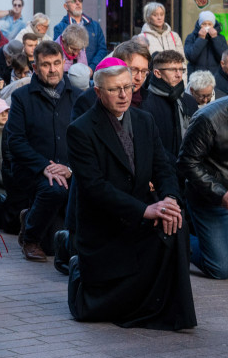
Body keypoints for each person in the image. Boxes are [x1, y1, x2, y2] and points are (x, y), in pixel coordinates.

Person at [67, 58, 195, 330]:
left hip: (139, 219)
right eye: (115, 89)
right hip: (106, 228)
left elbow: (163, 168)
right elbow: (95, 188)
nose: (124, 95)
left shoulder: (144, 120)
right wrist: (144, 210)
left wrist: (170, 199)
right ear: (98, 92)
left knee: (176, 224)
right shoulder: (80, 130)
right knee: (103, 309)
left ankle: (167, 309)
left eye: (127, 87)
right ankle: (78, 271)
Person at [7, 40, 76, 262]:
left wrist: (69, 168)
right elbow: (15, 141)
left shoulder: (77, 96)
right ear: (35, 68)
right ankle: (30, 238)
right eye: (46, 65)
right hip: (32, 169)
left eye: (57, 63)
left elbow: (87, 140)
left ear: (64, 63)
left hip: (70, 168)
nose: (53, 69)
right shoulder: (21, 97)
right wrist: (44, 167)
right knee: (55, 189)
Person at [179, 95, 228, 279]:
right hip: (210, 197)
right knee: (221, 268)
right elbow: (186, 162)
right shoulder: (208, 118)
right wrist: (221, 194)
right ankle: (177, 239)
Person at [139, 49, 196, 166]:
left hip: (189, 167)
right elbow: (148, 145)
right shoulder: (145, 103)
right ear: (157, 73)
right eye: (173, 70)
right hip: (160, 169)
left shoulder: (189, 101)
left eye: (181, 69)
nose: (179, 74)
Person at [52, 0, 107, 70]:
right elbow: (58, 53)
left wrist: (92, 67)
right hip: (70, 73)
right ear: (66, 6)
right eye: (74, 1)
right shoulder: (60, 28)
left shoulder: (95, 26)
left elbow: (102, 49)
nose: (78, 3)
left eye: (80, 1)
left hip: (93, 71)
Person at [185, 11, 227, 77]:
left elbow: (223, 58)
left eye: (209, 24)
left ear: (213, 25)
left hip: (215, 76)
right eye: (204, 24)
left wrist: (215, 38)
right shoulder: (191, 37)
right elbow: (191, 57)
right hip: (196, 76)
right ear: (200, 25)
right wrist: (201, 39)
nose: (207, 26)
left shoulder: (221, 38)